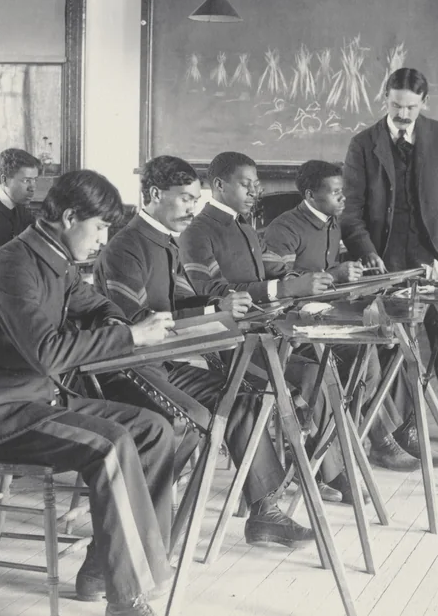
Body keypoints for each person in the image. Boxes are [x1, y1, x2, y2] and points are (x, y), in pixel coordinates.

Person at [0, 169, 175, 616]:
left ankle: (105, 568)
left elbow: (95, 304)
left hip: (40, 402)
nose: (103, 240)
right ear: (70, 217)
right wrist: (131, 336)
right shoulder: (13, 265)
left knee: (154, 430)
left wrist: (114, 321)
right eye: (99, 227)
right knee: (112, 445)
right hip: (4, 416)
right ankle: (127, 599)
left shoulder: (55, 260)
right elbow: (48, 354)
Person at [94, 155, 313, 562]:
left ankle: (264, 512)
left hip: (163, 362)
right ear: (154, 194)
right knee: (203, 414)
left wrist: (217, 305)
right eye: (184, 199)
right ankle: (152, 531)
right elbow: (137, 323)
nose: (192, 208)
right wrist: (209, 315)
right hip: (127, 370)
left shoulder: (165, 243)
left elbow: (180, 301)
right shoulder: (126, 247)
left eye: (196, 199)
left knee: (243, 399)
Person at [178, 150, 356, 504]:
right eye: (245, 184)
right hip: (229, 346)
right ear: (218, 185)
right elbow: (214, 293)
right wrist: (282, 289)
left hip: (262, 335)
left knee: (320, 371)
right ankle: (324, 470)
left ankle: (321, 467)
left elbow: (272, 273)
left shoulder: (243, 225)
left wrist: (304, 282)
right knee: (311, 374)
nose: (254, 192)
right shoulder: (198, 232)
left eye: (256, 184)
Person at [340, 67, 438, 454]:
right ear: (385, 99)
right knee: (394, 345)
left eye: (411, 107)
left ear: (424, 103)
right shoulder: (362, 143)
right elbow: (351, 213)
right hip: (385, 259)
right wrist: (368, 254)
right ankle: (402, 431)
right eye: (396, 105)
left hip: (434, 257)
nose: (403, 114)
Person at [262, 160, 420, 473]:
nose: (343, 198)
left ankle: (390, 436)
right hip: (294, 328)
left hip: (325, 316)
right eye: (335, 192)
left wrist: (350, 274)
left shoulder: (332, 222)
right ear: (310, 195)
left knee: (391, 347)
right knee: (367, 355)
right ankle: (371, 443)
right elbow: (277, 280)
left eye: (342, 191)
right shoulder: (284, 228)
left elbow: (324, 273)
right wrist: (335, 274)